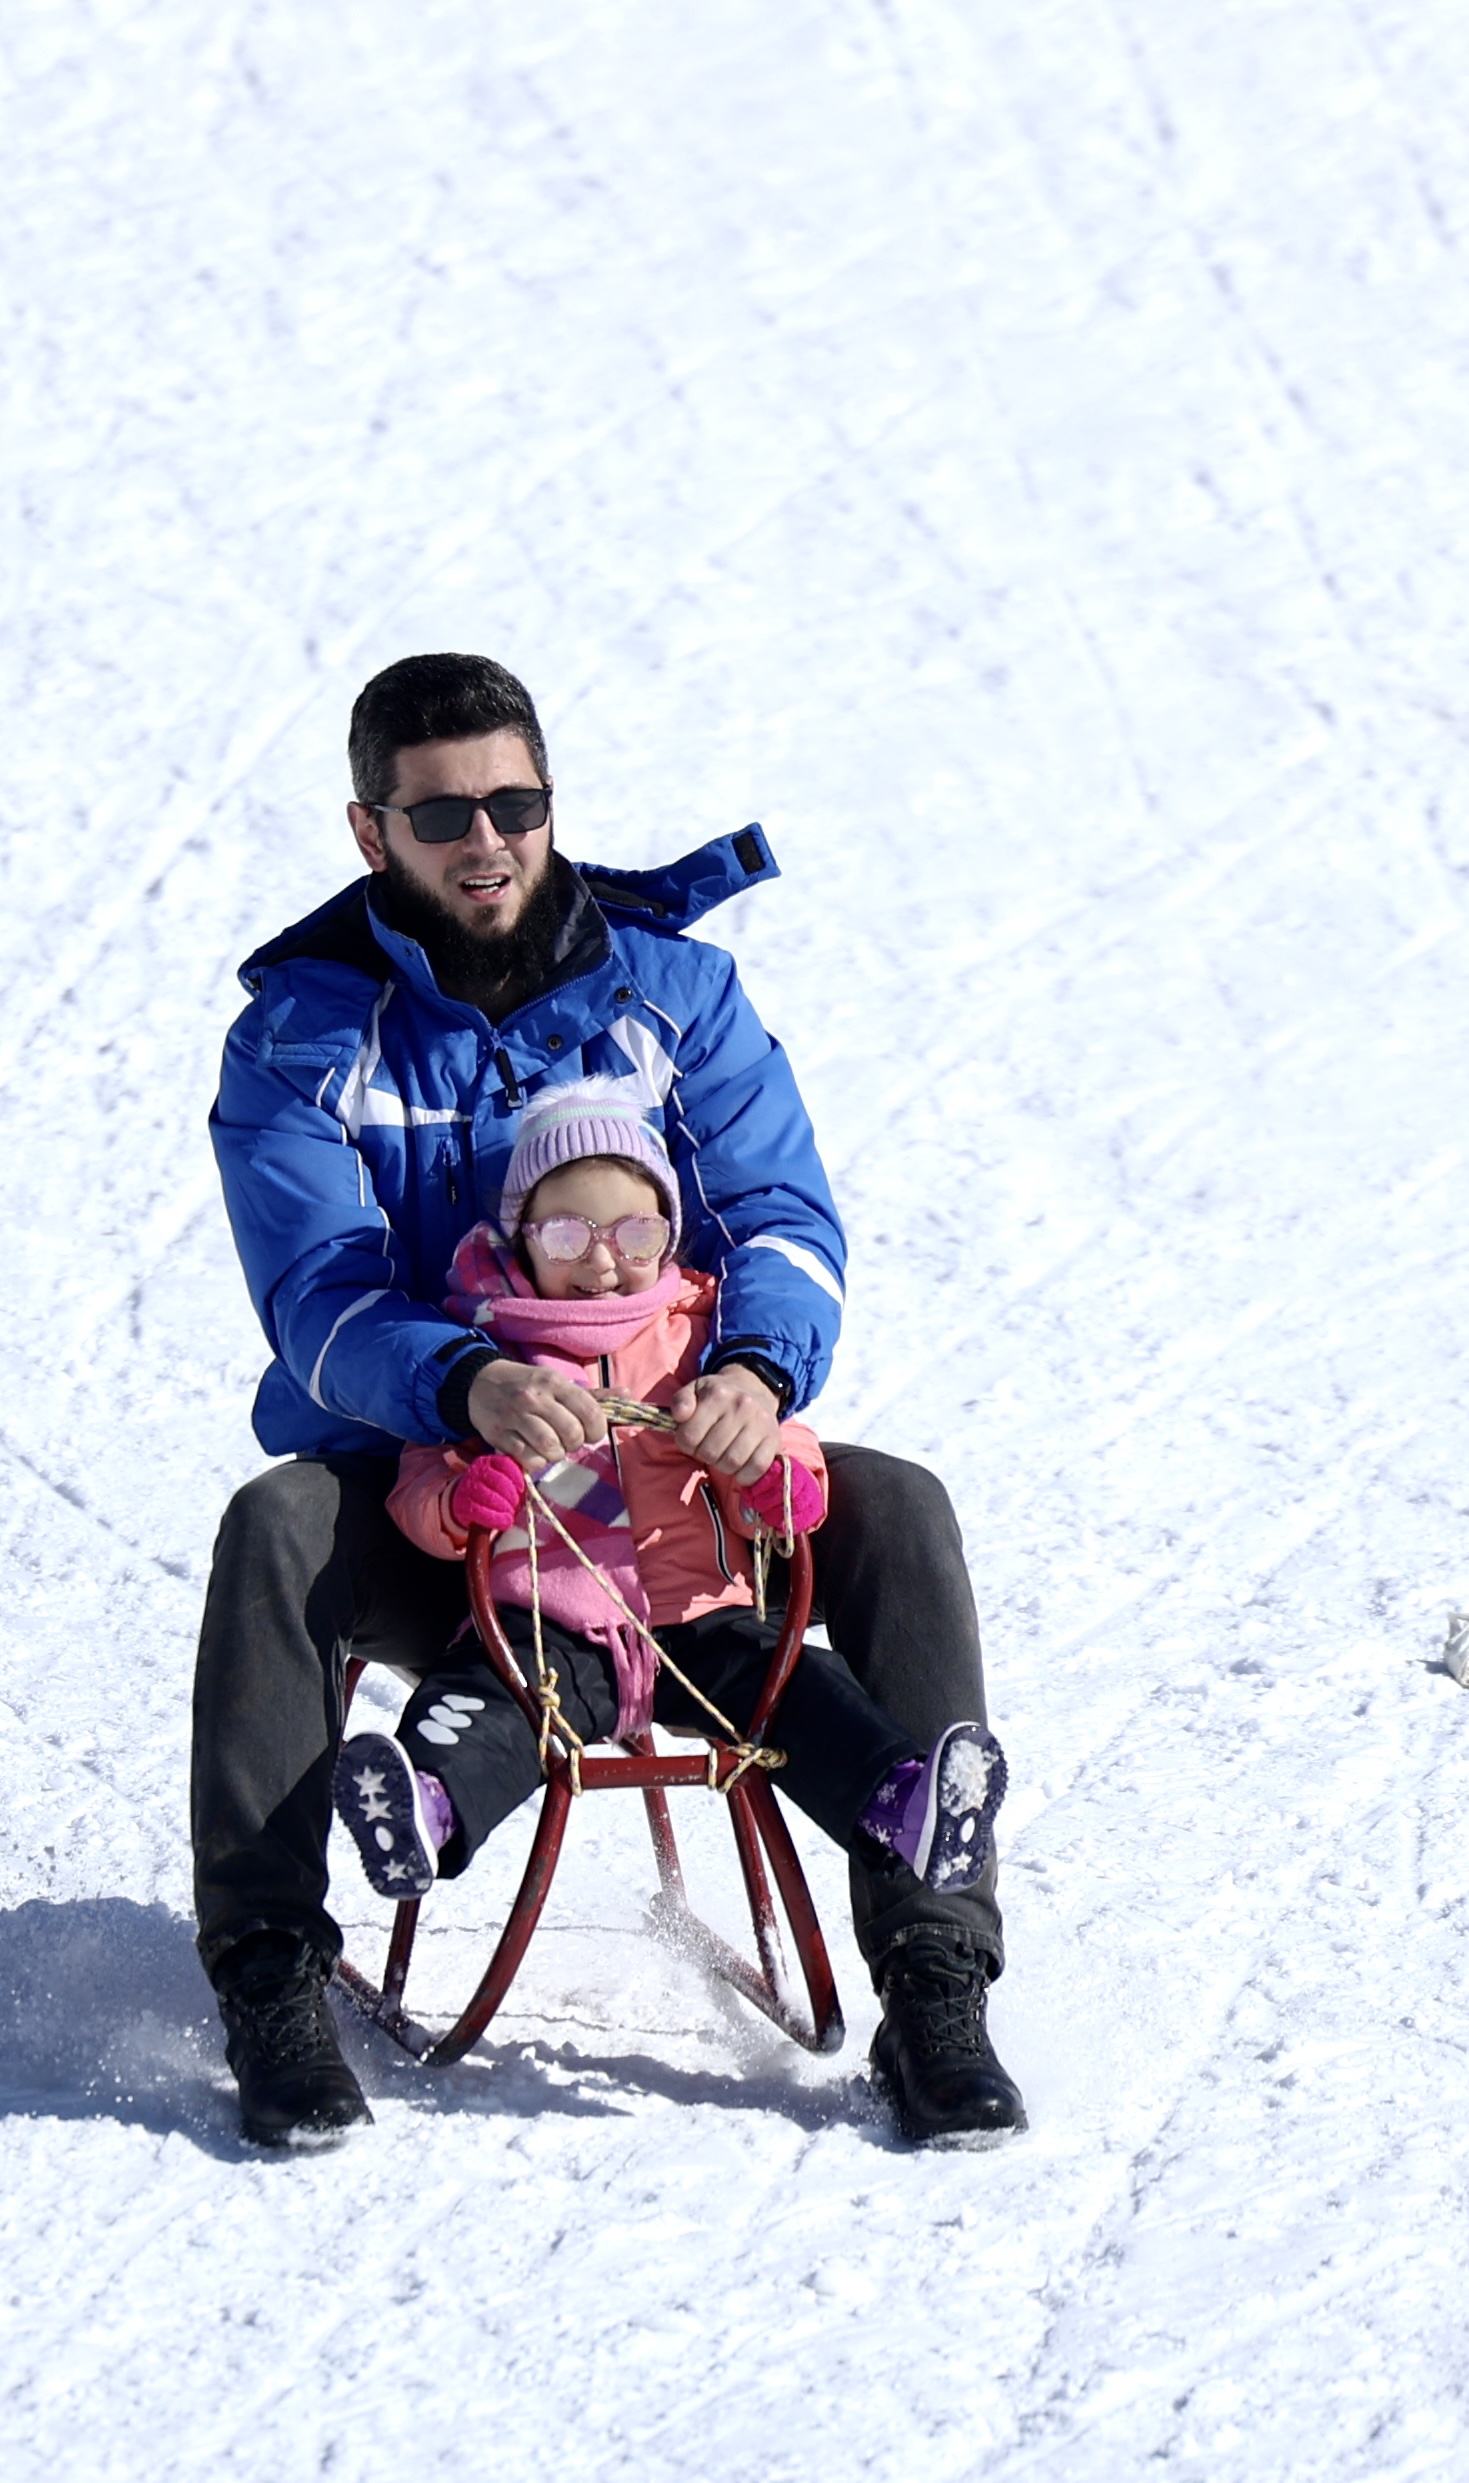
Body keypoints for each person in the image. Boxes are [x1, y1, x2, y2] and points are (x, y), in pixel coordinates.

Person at [194, 651, 1022, 2150]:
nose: (486, 837)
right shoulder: (303, 1042)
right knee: (275, 1525)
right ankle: (267, 1976)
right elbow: (314, 1294)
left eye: (514, 800)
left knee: (895, 1500)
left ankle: (935, 1971)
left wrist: (755, 1377)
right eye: (440, 813)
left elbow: (781, 1216)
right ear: (370, 831)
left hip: (677, 1494)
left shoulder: (676, 997)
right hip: (437, 1506)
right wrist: (462, 1381)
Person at [333, 1088, 1006, 1910]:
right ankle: (424, 1809)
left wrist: (768, 1479)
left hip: (702, 1615)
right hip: (547, 1624)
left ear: (667, 1234)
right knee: (483, 1701)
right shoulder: (487, 1355)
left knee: (801, 1687)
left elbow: (779, 1449)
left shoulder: (694, 1338)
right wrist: (460, 1501)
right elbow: (419, 1481)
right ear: (521, 1237)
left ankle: (902, 1805)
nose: (601, 1261)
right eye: (566, 1233)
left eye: (634, 1233)